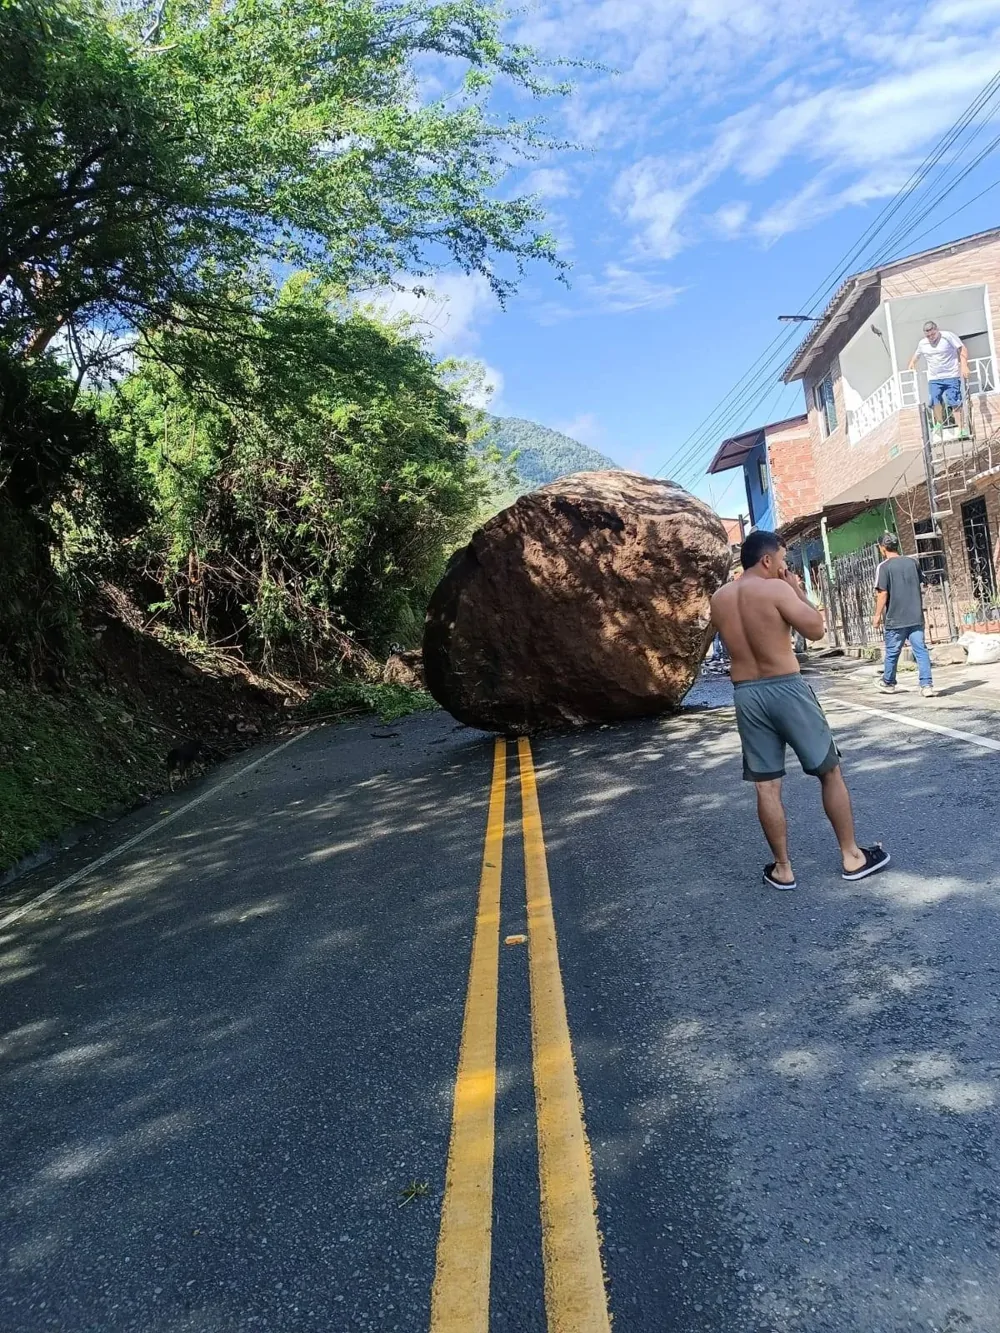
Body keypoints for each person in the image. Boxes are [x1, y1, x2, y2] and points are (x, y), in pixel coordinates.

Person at [710, 530, 890, 891]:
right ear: (766, 560)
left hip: (746, 694)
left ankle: (783, 869)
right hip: (786, 688)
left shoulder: (719, 598)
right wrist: (795, 589)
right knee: (829, 772)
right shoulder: (776, 589)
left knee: (767, 786)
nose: (784, 566)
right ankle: (852, 857)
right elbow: (817, 629)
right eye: (783, 560)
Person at [873, 532, 936, 697]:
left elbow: (882, 593)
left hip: (895, 618)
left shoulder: (884, 567)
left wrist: (877, 615)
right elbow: (924, 583)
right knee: (921, 650)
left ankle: (888, 682)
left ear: (882, 548)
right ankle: (926, 685)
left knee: (893, 651)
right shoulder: (912, 563)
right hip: (915, 616)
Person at [908, 320, 969, 436]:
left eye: (933, 334)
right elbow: (917, 355)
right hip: (934, 378)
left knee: (954, 402)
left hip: (951, 375)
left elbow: (962, 349)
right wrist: (912, 363)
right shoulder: (923, 343)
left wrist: (964, 365)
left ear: (937, 330)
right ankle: (939, 423)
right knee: (934, 400)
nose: (931, 337)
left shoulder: (948, 336)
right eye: (928, 336)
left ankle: (961, 429)